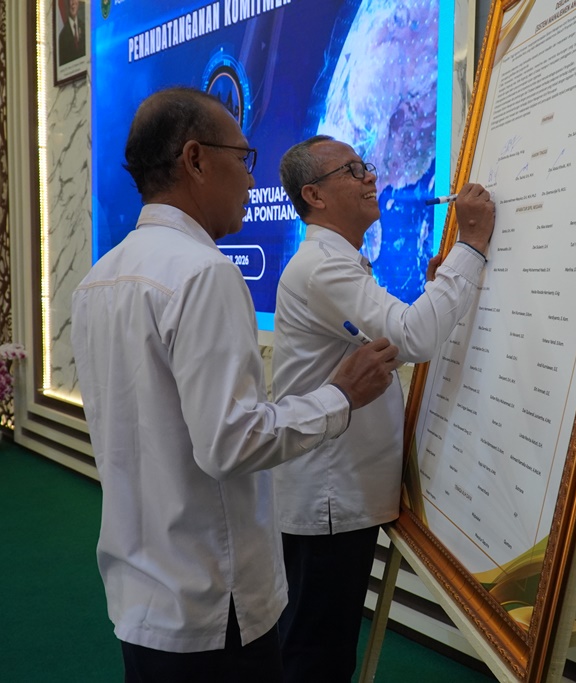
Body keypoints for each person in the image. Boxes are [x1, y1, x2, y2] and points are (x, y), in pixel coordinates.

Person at [70, 90, 399, 682]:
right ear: (196, 160)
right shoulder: (204, 273)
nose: (251, 182)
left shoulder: (99, 279)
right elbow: (231, 442)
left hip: (142, 594)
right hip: (214, 600)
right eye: (243, 159)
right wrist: (340, 396)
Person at [272, 135, 495, 681]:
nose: (370, 176)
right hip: (330, 498)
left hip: (338, 493)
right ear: (314, 195)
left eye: (365, 165)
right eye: (352, 170)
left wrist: (439, 288)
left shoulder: (335, 262)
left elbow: (395, 335)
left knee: (318, 647)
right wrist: (471, 245)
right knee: (316, 657)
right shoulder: (323, 268)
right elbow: (412, 337)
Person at [57, 0, 85, 65]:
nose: (73, 3)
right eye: (70, 0)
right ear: (67, 3)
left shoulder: (84, 27)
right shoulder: (62, 36)